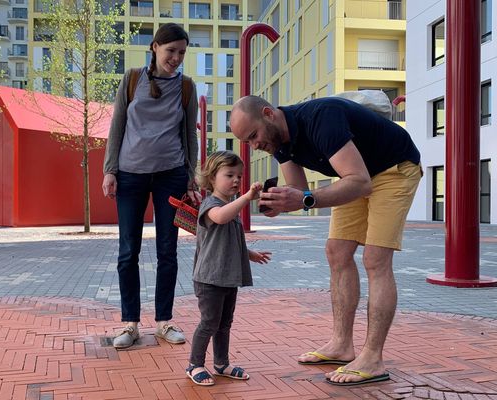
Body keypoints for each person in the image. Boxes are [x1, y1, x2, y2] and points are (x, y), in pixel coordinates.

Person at [229, 95, 421, 386]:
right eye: (248, 141)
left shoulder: (322, 118)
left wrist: (305, 199)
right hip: (359, 175)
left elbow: (357, 183)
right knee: (337, 252)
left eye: (254, 136)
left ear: (268, 114)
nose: (255, 146)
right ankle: (342, 345)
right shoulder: (278, 143)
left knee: (375, 259)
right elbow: (299, 190)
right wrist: (281, 202)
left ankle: (372, 357)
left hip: (394, 169)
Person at [102, 23, 199, 349]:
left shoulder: (186, 87)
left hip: (170, 175)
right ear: (155, 47)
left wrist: (191, 176)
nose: (176, 58)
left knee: (167, 252)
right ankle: (130, 324)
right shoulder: (131, 80)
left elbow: (190, 137)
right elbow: (117, 127)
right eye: (171, 51)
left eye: (182, 53)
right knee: (128, 251)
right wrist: (110, 170)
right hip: (130, 175)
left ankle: (163, 322)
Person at [186, 151, 272, 386]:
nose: (236, 180)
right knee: (209, 323)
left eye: (239, 176)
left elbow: (230, 241)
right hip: (209, 279)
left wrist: (250, 254)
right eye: (229, 175)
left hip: (227, 278)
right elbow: (220, 218)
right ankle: (194, 364)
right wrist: (246, 197)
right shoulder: (211, 204)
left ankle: (221, 363)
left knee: (224, 324)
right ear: (212, 178)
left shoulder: (230, 207)